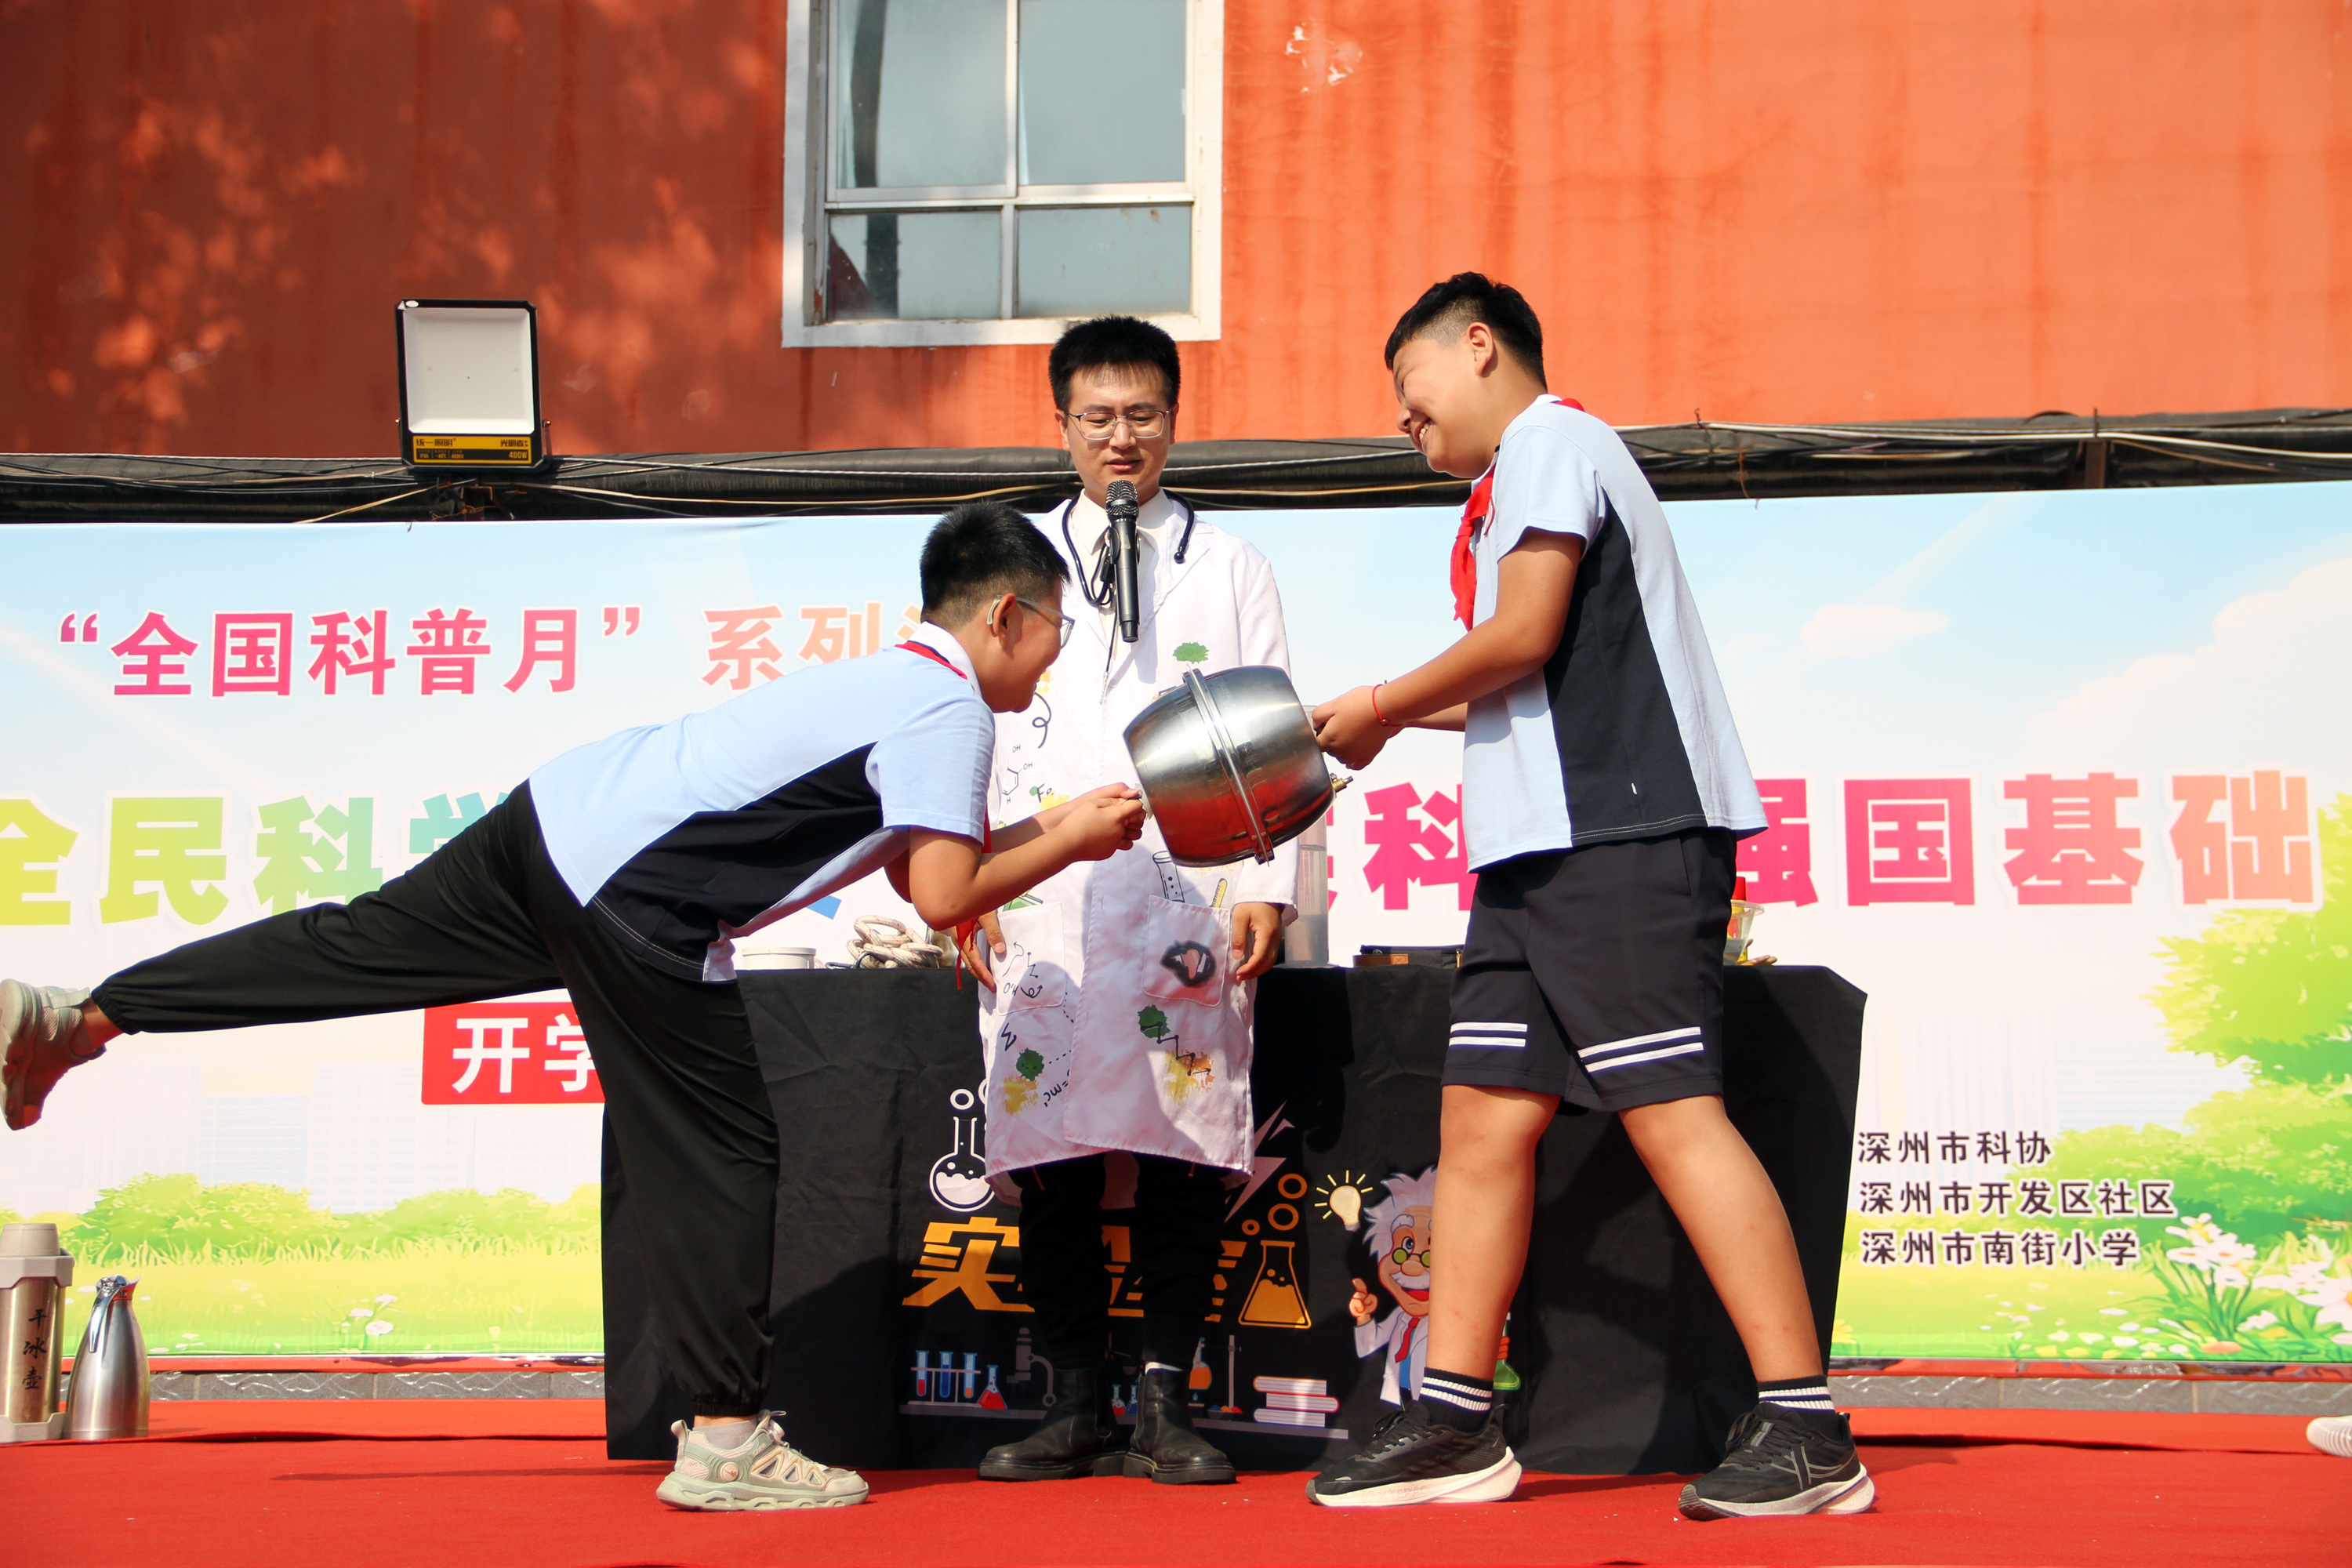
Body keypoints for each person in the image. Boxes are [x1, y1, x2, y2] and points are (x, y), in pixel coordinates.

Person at [0, 503, 1145, 1512]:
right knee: (725, 1152)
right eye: (1053, 629)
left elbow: (913, 865)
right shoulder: (952, 709)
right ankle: (728, 1441)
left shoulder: (895, 679)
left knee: (352, 946)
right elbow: (943, 895)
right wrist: (1073, 843)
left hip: (554, 821)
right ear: (1005, 614)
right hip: (639, 898)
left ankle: (84, 1016)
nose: (1052, 659)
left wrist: (1056, 830)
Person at [1304, 274, 1871, 1519]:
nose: (1403, 419)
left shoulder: (1551, 442)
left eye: (1410, 387)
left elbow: (1522, 635)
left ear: (1480, 346)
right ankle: (1457, 1416)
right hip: (1532, 855)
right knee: (1482, 1123)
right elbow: (1522, 673)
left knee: (1672, 1112)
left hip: (1621, 833)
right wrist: (1375, 719)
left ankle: (1806, 1426)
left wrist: (1383, 704)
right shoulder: (1517, 476)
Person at [956, 315, 1297, 1486]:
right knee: (1047, 1153)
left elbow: (1275, 729)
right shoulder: (1010, 560)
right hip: (1038, 891)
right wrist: (965, 885)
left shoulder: (1232, 564)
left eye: (1142, 414)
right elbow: (967, 722)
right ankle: (1067, 1401)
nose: (1120, 438)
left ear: (1174, 421)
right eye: (1096, 417)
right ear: (1060, 426)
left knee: (1183, 1152)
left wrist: (1270, 883)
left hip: (1188, 898)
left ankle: (1164, 1403)